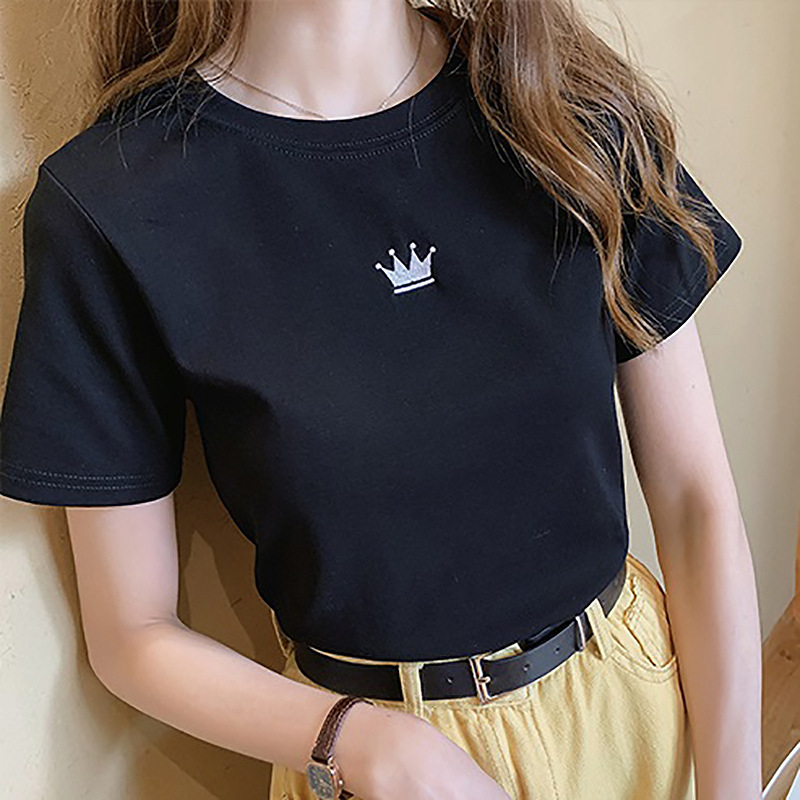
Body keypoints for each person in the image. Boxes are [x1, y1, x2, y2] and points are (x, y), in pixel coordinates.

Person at [0, 1, 762, 798]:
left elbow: (695, 503)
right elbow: (130, 634)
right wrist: (366, 744)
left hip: (633, 713)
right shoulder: (113, 204)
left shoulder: (569, 109)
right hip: (368, 759)